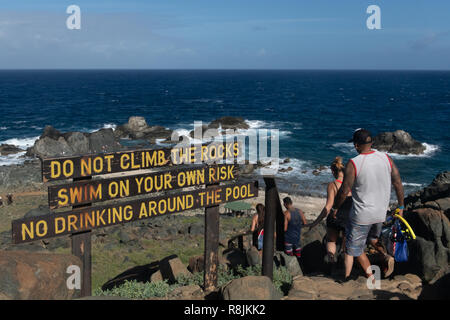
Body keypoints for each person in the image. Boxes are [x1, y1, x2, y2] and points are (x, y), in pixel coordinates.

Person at [332, 128, 404, 282]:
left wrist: (335, 208)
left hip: (362, 215)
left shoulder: (354, 163)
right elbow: (398, 182)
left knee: (354, 249)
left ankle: (372, 277)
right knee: (372, 240)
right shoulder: (386, 158)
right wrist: (402, 207)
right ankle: (385, 257)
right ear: (371, 143)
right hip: (380, 213)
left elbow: (344, 190)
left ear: (356, 145)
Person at [307, 156, 352, 271]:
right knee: (347, 247)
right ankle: (345, 270)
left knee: (331, 241)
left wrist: (316, 222)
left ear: (333, 171)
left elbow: (328, 206)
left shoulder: (333, 185)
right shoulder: (352, 185)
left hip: (334, 218)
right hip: (349, 218)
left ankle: (331, 261)